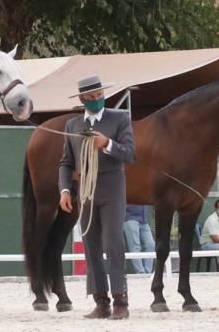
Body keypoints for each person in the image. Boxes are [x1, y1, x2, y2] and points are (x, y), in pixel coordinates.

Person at [58, 75, 135, 320]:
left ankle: (120, 299)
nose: (97, 100)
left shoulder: (120, 119)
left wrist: (107, 144)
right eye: (91, 97)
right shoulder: (72, 125)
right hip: (86, 192)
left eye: (100, 96)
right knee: (91, 245)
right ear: (82, 99)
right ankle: (101, 300)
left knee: (113, 243)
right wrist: (65, 190)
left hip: (112, 188)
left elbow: (130, 154)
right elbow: (66, 162)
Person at [122, 204, 155, 274]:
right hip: (130, 218)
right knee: (135, 247)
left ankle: (147, 273)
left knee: (151, 245)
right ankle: (141, 273)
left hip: (144, 220)